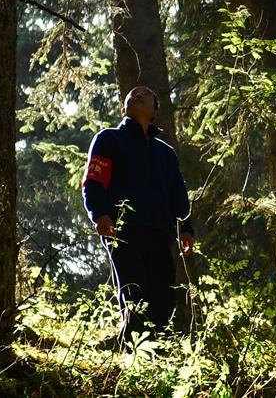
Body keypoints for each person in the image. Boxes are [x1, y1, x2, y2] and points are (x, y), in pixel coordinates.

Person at [81, 85, 195, 344]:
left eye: (145, 94)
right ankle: (133, 352)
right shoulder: (108, 139)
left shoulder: (165, 153)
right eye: (132, 95)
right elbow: (94, 181)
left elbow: (178, 195)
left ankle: (154, 352)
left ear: (155, 112)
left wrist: (186, 229)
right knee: (133, 289)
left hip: (160, 234)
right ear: (124, 109)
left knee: (163, 295)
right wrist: (99, 214)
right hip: (122, 230)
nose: (138, 95)